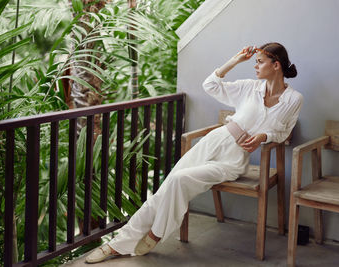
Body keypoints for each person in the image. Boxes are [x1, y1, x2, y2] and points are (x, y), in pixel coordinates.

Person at [86, 42, 303, 263]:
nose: (255, 66)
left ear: (276, 65)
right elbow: (211, 85)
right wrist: (235, 61)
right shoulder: (249, 87)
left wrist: (262, 137)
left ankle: (156, 232)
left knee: (178, 180)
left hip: (234, 159)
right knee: (167, 186)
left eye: (260, 62)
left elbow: (282, 132)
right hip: (215, 141)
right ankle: (117, 245)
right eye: (255, 62)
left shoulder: (293, 99)